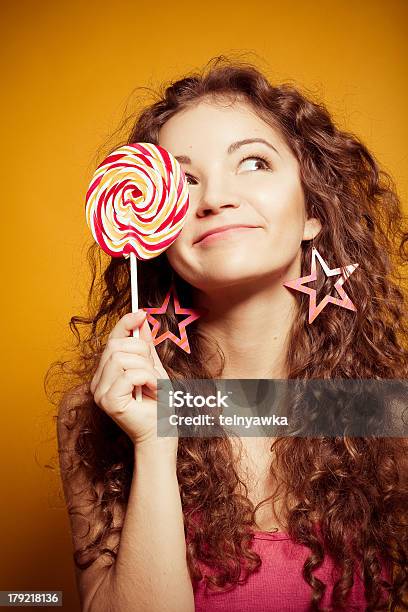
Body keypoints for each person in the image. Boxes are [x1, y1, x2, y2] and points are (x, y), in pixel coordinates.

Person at [48, 56, 408, 611]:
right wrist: (156, 438)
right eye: (184, 179)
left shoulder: (387, 410)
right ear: (152, 225)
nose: (214, 198)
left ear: (313, 211)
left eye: (254, 163)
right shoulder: (93, 420)